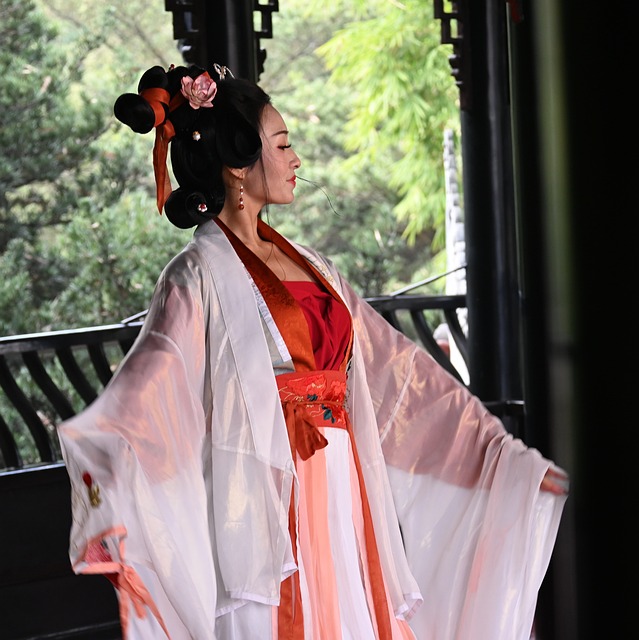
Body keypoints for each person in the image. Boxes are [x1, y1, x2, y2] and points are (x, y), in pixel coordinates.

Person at [57, 62, 568, 640]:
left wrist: (501, 455)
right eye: (282, 145)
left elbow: (399, 373)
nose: (295, 159)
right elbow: (152, 385)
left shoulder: (316, 268)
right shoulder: (195, 276)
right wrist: (104, 458)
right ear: (238, 164)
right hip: (264, 495)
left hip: (340, 484)